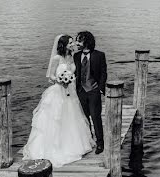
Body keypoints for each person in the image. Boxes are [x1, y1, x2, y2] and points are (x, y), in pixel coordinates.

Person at [22, 34, 94, 166]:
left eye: (73, 42)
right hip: (58, 91)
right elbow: (50, 76)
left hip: (71, 92)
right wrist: (60, 80)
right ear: (63, 45)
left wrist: (69, 80)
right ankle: (55, 147)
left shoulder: (72, 57)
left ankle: (74, 144)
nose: (72, 44)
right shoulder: (57, 58)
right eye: (70, 43)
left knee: (72, 116)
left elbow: (74, 72)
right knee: (57, 118)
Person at [74, 30, 107, 154]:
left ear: (87, 42)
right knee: (84, 117)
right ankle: (89, 139)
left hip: (93, 90)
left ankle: (100, 143)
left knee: (95, 116)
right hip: (80, 91)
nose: (77, 42)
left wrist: (100, 88)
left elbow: (103, 73)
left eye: (79, 40)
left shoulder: (99, 55)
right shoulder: (76, 56)